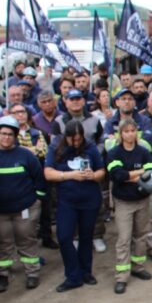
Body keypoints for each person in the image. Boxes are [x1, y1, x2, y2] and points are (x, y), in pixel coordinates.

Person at [44, 120, 105, 292]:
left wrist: (93, 175)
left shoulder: (90, 147)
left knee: (86, 237)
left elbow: (102, 171)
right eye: (73, 140)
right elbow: (48, 173)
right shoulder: (56, 148)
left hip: (89, 199)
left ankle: (86, 272)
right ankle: (73, 275)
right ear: (67, 137)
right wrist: (70, 175)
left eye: (79, 140)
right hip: (67, 201)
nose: (76, 143)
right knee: (64, 237)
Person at [0, 116, 45, 291]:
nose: (6, 137)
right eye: (3, 134)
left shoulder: (26, 155)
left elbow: (39, 179)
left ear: (16, 136)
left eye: (10, 134)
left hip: (25, 208)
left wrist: (36, 201)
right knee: (2, 243)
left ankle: (32, 273)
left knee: (27, 240)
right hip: (0, 211)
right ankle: (2, 274)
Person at [107, 119, 152, 293]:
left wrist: (129, 176)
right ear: (121, 134)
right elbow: (117, 175)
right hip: (124, 203)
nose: (130, 134)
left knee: (141, 235)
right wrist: (139, 173)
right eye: (126, 131)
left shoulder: (144, 152)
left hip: (142, 200)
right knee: (124, 239)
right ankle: (122, 276)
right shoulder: (114, 153)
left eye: (132, 130)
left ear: (137, 132)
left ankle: (138, 267)